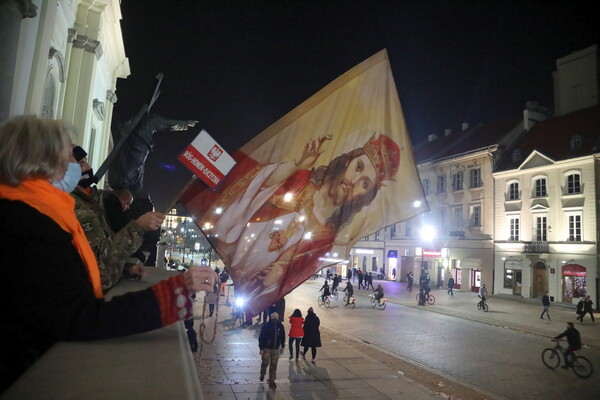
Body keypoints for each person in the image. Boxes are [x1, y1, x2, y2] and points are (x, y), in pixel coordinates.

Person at [0, 115, 217, 391]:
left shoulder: (34, 211)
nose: (77, 165)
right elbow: (81, 318)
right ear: (43, 159)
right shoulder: (26, 224)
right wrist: (177, 289)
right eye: (70, 154)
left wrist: (125, 267)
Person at [192, 133, 401, 315]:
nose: (354, 181)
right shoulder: (300, 180)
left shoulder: (325, 239)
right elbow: (256, 183)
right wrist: (297, 165)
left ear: (366, 196)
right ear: (347, 161)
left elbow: (289, 278)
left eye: (365, 183)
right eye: (359, 167)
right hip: (229, 247)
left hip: (252, 282)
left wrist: (273, 280)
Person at [71, 146, 165, 292]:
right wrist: (138, 227)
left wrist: (125, 268)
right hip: (90, 293)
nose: (89, 167)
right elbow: (100, 256)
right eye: (81, 163)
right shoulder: (73, 205)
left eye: (86, 161)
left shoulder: (94, 198)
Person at [258, 312, 285, 387]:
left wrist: (282, 346)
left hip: (276, 348)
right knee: (265, 363)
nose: (275, 318)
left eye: (276, 317)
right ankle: (262, 374)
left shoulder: (280, 326)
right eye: (274, 317)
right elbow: (261, 337)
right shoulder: (266, 326)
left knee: (274, 365)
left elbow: (282, 336)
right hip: (267, 348)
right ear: (271, 317)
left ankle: (272, 380)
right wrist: (261, 348)